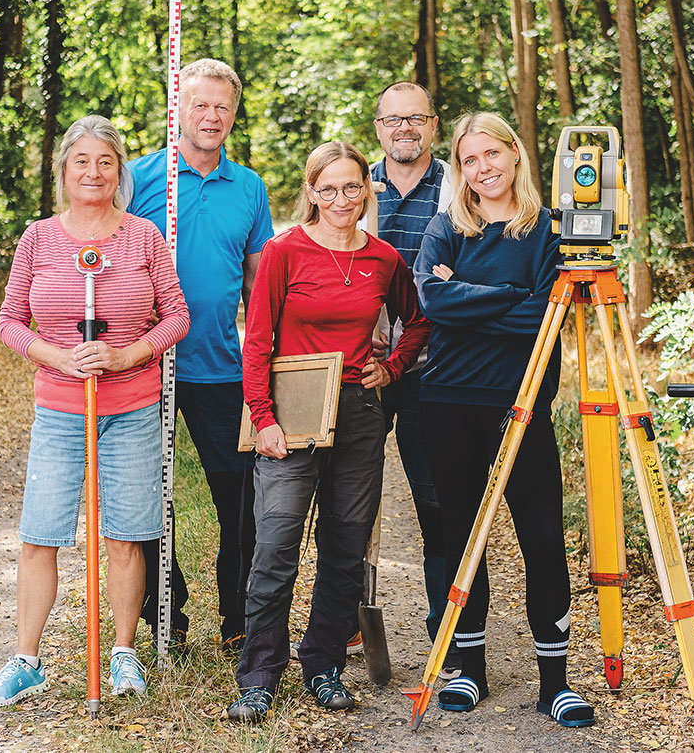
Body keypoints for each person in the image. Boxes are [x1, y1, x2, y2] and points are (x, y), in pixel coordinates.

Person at [0, 115, 190, 708]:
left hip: (133, 405)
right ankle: (27, 660)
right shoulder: (38, 238)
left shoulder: (144, 236)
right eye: (81, 161)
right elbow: (10, 321)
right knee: (40, 534)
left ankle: (123, 653)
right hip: (62, 408)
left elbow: (176, 316)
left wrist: (125, 354)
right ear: (64, 169)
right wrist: (58, 357)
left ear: (119, 172)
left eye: (104, 162)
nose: (92, 172)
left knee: (124, 536)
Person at [228, 141, 430, 723]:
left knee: (345, 547)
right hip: (290, 415)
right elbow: (258, 340)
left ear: (366, 190)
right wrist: (262, 419)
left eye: (352, 187)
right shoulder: (282, 252)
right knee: (276, 548)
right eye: (329, 188)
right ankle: (259, 677)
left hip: (359, 415)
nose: (342, 199)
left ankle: (322, 665)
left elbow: (416, 324)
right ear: (311, 192)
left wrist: (389, 368)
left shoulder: (384, 259)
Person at [413, 112, 595, 727]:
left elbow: (547, 315)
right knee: (464, 534)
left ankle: (555, 682)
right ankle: (469, 669)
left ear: (516, 156)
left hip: (522, 401)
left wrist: (469, 296)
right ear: (459, 169)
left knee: (542, 535)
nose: (483, 167)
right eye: (469, 159)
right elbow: (432, 301)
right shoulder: (446, 227)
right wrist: (508, 299)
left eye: (493, 154)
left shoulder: (549, 231)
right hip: (449, 401)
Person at [128, 58, 274, 654]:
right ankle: (167, 616)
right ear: (177, 107)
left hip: (220, 367)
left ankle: (238, 619)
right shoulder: (138, 177)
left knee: (240, 501)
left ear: (234, 115)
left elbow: (259, 283)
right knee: (143, 498)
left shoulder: (249, 187)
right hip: (142, 366)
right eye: (200, 104)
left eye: (223, 107)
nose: (211, 116)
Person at [368, 81, 459, 675]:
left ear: (432, 124)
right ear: (378, 126)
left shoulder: (458, 185)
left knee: (439, 504)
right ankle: (352, 621)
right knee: (350, 505)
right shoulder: (355, 183)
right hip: (365, 371)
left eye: (416, 118)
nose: (405, 128)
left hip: (437, 370)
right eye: (393, 119)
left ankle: (449, 630)